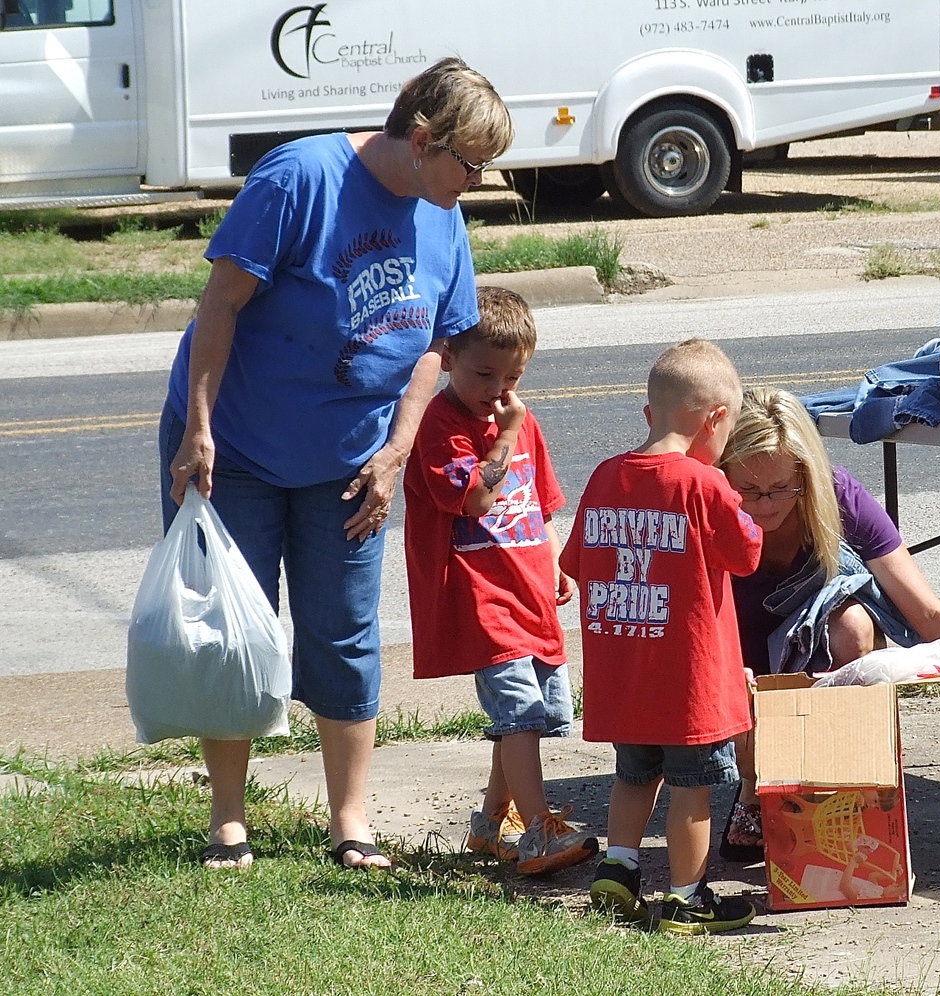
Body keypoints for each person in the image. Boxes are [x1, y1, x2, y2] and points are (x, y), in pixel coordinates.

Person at [160, 58, 513, 870]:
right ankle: (227, 819)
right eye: (470, 163)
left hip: (352, 460)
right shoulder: (299, 179)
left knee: (345, 635)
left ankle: (349, 820)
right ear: (422, 141)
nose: (478, 181)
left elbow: (437, 343)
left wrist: (397, 451)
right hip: (235, 446)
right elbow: (220, 303)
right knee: (232, 630)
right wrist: (199, 429)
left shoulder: (443, 212)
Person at [717, 387, 940, 858]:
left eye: (781, 488)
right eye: (749, 490)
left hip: (811, 651)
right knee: (740, 700)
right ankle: (754, 786)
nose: (764, 504)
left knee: (853, 625)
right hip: (732, 649)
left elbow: (926, 614)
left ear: (805, 473)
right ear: (722, 474)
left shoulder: (838, 496)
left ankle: (840, 778)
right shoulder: (705, 504)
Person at [561, 338, 764, 934]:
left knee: (633, 776)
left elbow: (576, 562)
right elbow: (747, 554)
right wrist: (736, 502)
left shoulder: (605, 477)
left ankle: (618, 870)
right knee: (692, 791)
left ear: (650, 413)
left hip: (625, 676)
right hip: (688, 683)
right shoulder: (704, 485)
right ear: (716, 420)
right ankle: (686, 895)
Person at [402, 285, 598, 876]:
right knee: (520, 714)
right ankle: (539, 830)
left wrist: (556, 562)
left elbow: (540, 501)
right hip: (480, 595)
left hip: (527, 589)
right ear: (449, 358)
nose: (497, 390)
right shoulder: (441, 426)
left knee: (530, 716)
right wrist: (505, 435)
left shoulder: (520, 419)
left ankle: (491, 824)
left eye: (512, 377)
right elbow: (477, 500)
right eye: (484, 374)